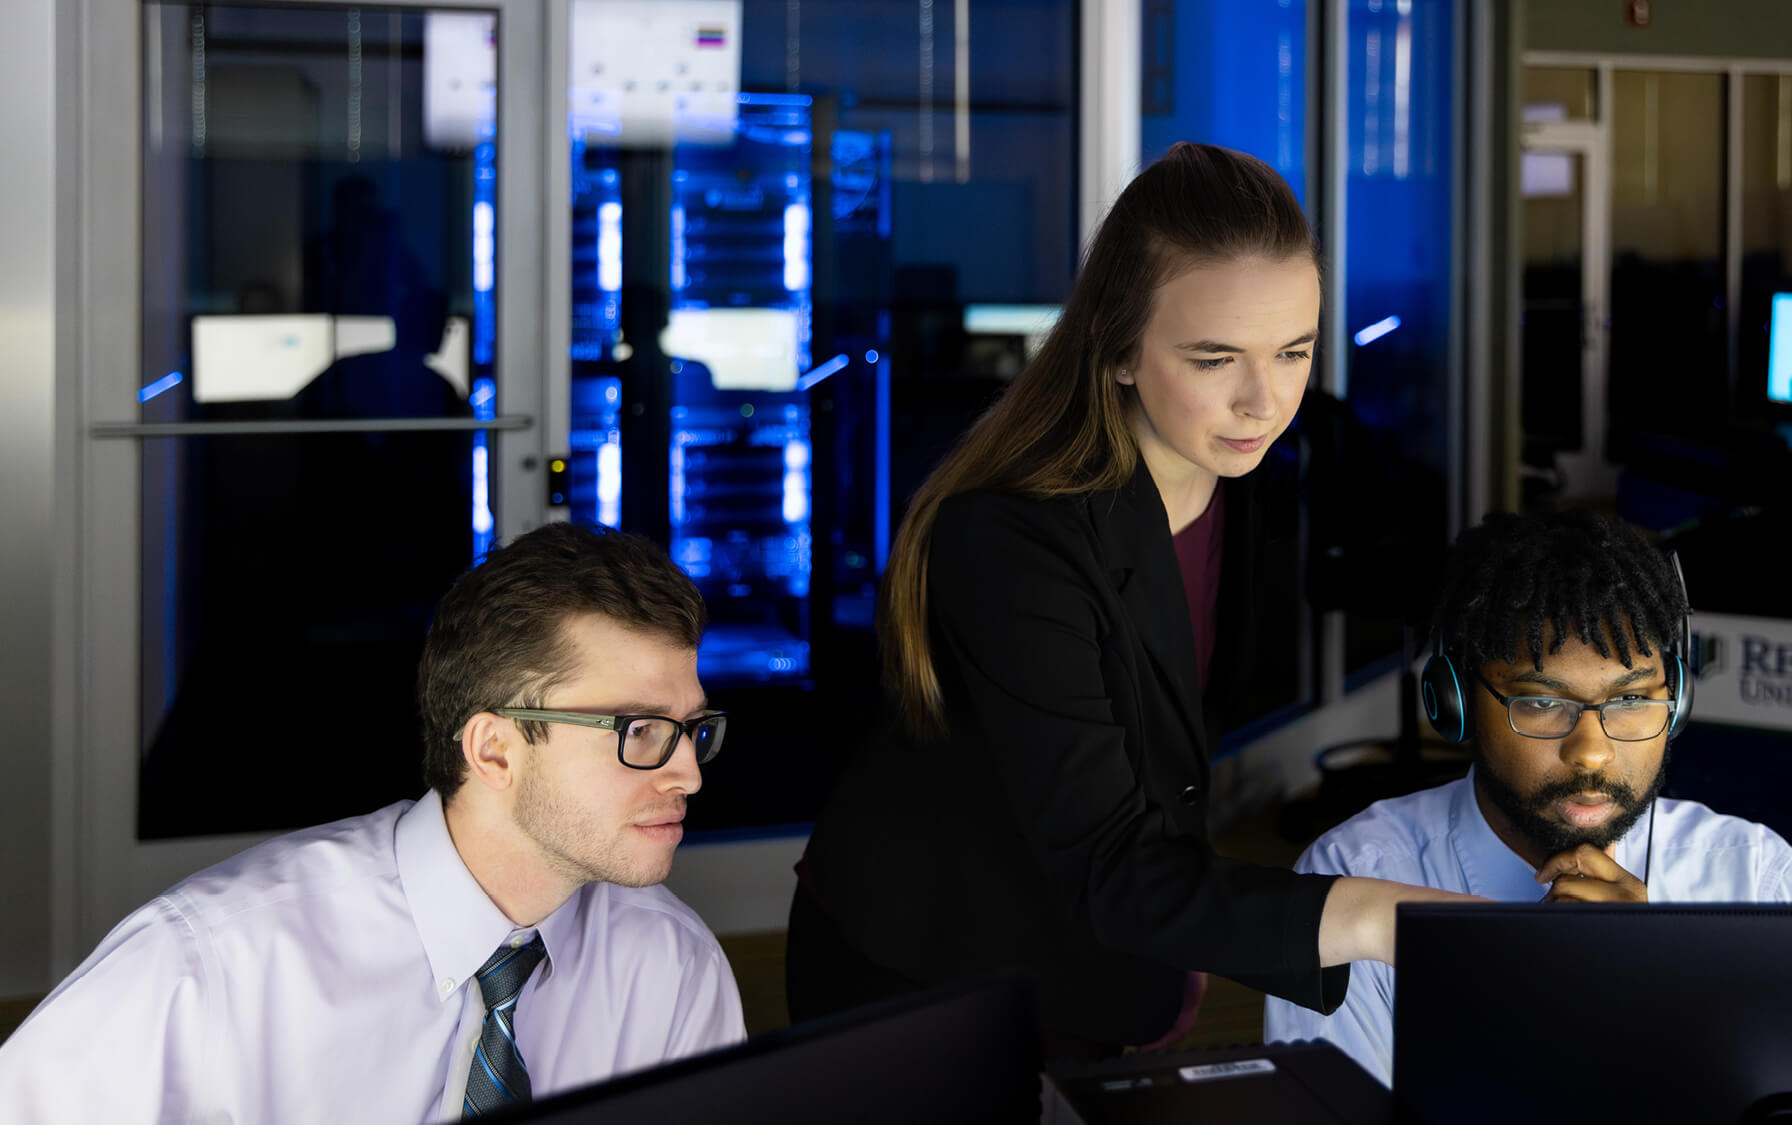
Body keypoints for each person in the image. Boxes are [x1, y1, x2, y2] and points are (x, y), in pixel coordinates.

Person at [787, 142, 1474, 1056]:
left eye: (1294, 352)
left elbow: (1159, 777)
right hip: (923, 975)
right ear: (1118, 350)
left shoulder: (1251, 486)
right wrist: (1389, 918)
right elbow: (1110, 859)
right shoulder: (1013, 540)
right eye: (1215, 358)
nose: (1263, 401)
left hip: (1097, 950)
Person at [0, 522, 746, 1121]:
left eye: (692, 728)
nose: (689, 772)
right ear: (495, 749)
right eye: (641, 730)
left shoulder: (672, 965)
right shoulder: (212, 966)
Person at [1264, 508, 1792, 1085]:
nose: (1592, 752)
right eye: (1541, 703)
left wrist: (1662, 988)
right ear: (1456, 702)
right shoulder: (1354, 880)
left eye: (1632, 701)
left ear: (1676, 702)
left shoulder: (1754, 878)